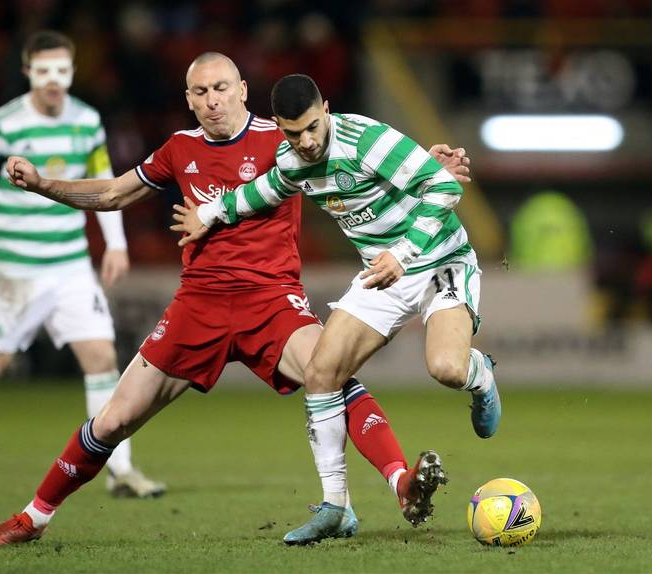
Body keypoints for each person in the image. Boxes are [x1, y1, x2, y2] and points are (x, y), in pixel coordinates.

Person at [0, 52, 472, 546]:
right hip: (199, 304)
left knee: (331, 375)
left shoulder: (289, 137)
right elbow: (113, 195)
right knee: (115, 418)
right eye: (201, 92)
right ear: (189, 100)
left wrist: (424, 162)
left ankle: (401, 483)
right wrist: (42, 185)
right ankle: (32, 518)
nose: (212, 101)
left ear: (243, 91)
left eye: (221, 89)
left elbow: (356, 154)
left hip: (272, 300)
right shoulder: (178, 149)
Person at [173, 73, 502, 537]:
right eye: (292, 132)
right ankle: (335, 507)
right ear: (278, 127)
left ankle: (480, 374)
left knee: (445, 368)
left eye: (311, 127)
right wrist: (209, 213)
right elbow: (261, 192)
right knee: (321, 372)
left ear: (325, 109)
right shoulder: (292, 160)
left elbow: (445, 190)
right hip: (381, 275)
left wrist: (402, 253)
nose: (305, 141)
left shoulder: (366, 140)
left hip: (437, 259)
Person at [0, 30, 164, 503]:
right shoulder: (3, 124)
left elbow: (104, 184)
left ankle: (121, 469)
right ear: (28, 71)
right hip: (17, 269)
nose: (54, 81)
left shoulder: (87, 121)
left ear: (72, 72)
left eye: (62, 71)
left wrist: (114, 244)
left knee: (101, 360)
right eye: (44, 71)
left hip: (71, 266)